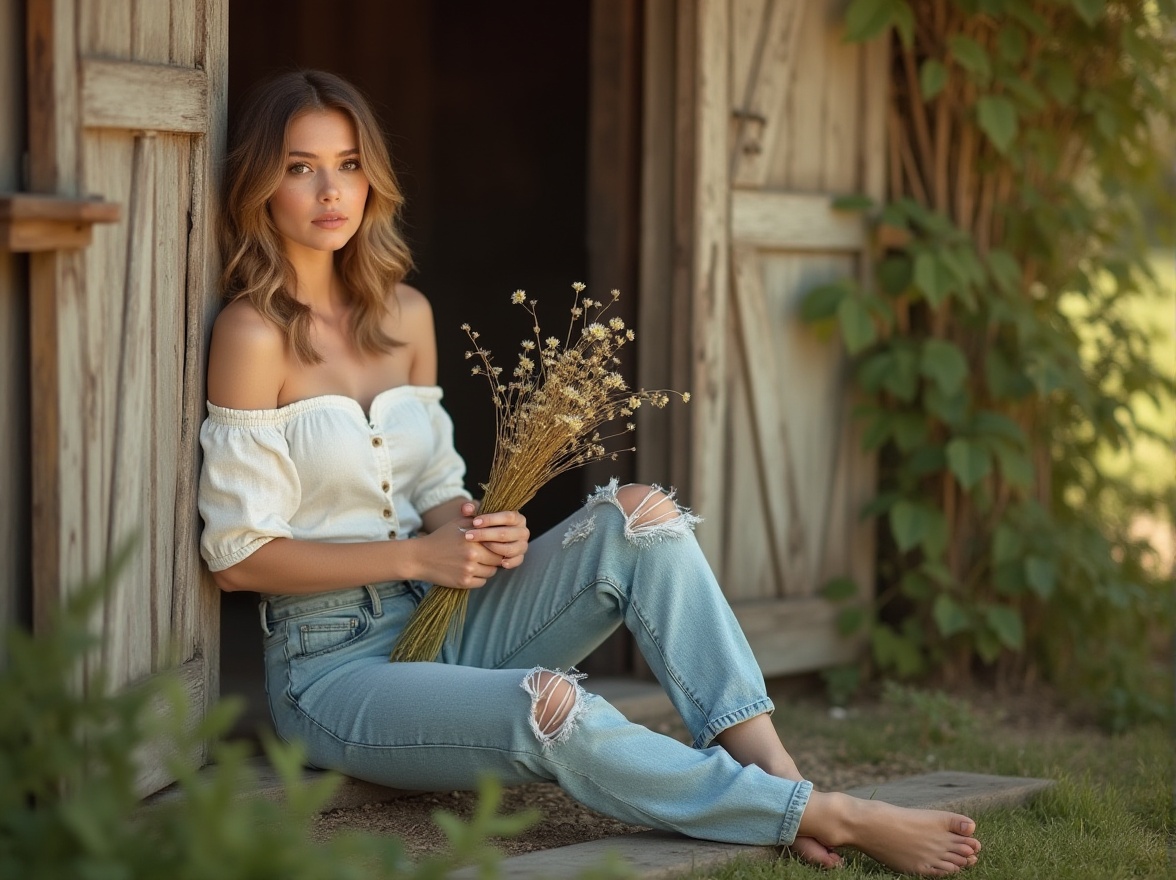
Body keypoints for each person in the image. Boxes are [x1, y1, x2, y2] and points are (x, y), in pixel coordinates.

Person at [198, 69, 982, 877]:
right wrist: (412, 558)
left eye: (350, 163)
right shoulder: (253, 335)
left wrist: (472, 530)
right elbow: (238, 558)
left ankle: (780, 775)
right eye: (301, 167)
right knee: (551, 706)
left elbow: (434, 487)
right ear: (262, 185)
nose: (332, 189)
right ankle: (821, 814)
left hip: (444, 618)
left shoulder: (405, 315)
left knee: (641, 519)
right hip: (334, 668)